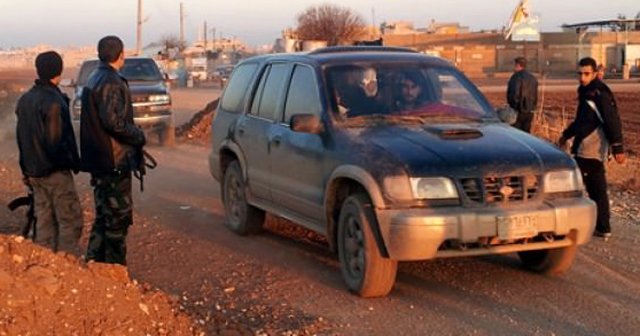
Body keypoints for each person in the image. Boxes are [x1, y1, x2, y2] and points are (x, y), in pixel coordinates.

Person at [80, 36, 146, 265]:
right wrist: (138, 135)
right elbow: (113, 122)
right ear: (120, 54)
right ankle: (115, 272)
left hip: (101, 159)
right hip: (113, 161)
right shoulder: (110, 80)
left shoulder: (94, 77)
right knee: (117, 220)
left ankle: (94, 265)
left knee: (103, 217)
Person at [14, 51, 83, 253]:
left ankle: (46, 266)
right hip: (54, 171)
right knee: (69, 221)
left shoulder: (25, 99)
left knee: (44, 221)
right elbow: (56, 141)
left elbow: (22, 138)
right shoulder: (54, 101)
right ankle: (65, 266)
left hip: (34, 172)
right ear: (59, 71)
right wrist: (72, 161)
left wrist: (26, 170)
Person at [558, 57, 625, 241]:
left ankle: (598, 226)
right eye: (580, 73)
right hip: (583, 146)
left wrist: (618, 146)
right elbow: (581, 121)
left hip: (592, 148)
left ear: (595, 73)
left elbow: (612, 120)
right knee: (590, 186)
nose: (582, 77)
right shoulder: (586, 91)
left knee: (589, 186)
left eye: (586, 74)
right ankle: (600, 225)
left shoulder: (599, 93)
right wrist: (566, 135)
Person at [506, 56, 538, 132]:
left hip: (518, 111)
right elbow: (535, 95)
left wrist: (513, 106)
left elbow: (514, 94)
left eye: (514, 65)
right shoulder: (532, 78)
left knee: (516, 135)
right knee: (526, 135)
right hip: (530, 111)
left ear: (518, 65)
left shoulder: (515, 77)